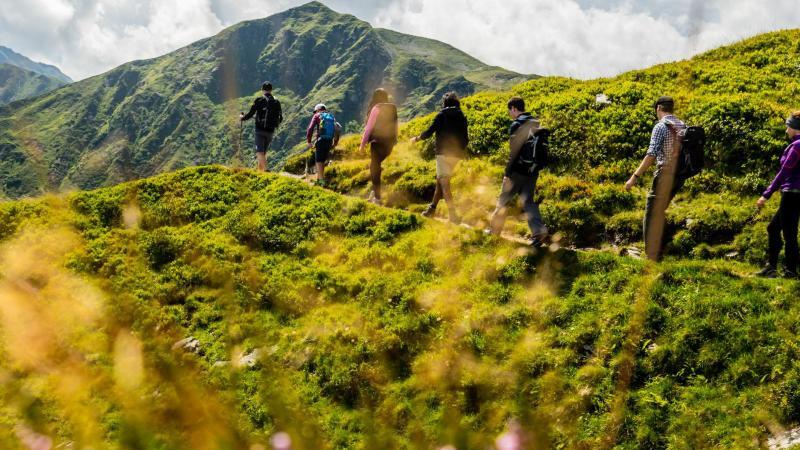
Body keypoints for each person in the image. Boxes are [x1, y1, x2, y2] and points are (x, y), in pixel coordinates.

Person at [624, 96, 686, 261]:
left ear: (659, 108)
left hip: (664, 173)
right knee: (660, 211)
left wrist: (634, 177)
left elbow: (651, 154)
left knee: (652, 213)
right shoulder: (682, 125)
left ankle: (652, 256)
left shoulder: (661, 127)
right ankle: (660, 252)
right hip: (679, 176)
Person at [487, 97, 549, 246]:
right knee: (528, 201)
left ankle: (494, 231)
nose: (509, 113)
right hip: (532, 170)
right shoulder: (536, 122)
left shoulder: (516, 125)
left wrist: (507, 174)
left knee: (503, 200)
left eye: (510, 110)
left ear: (514, 108)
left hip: (518, 170)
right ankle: (539, 232)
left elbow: (514, 152)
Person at [411, 92, 469, 223]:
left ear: (445, 103)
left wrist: (416, 138)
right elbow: (466, 139)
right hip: (456, 155)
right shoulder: (462, 116)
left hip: (443, 153)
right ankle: (431, 209)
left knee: (444, 183)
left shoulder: (442, 115)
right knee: (440, 181)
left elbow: (429, 132)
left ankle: (453, 215)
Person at [755, 111, 800, 278]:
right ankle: (773, 267)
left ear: (795, 128)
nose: (786, 130)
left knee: (789, 233)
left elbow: (784, 172)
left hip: (791, 193)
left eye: (788, 127)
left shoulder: (796, 146)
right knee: (773, 228)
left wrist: (766, 195)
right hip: (795, 194)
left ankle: (790, 271)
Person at [359, 88, 398, 205]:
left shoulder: (376, 108)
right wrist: (395, 139)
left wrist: (362, 145)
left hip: (377, 143)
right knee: (375, 168)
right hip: (389, 143)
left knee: (374, 169)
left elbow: (369, 128)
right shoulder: (393, 107)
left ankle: (377, 198)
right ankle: (374, 192)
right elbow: (396, 124)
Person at [240, 82, 282, 172]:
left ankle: (266, 170)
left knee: (260, 152)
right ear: (271, 90)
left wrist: (242, 118)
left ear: (262, 90)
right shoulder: (276, 102)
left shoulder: (259, 100)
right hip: (270, 131)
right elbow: (280, 118)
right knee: (263, 153)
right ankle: (260, 172)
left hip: (260, 130)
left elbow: (251, 113)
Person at [305, 104, 341, 185]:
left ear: (318, 110)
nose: (315, 113)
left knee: (318, 161)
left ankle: (321, 181)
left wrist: (309, 141)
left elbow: (310, 128)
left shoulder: (317, 116)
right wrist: (335, 143)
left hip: (321, 141)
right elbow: (337, 129)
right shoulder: (331, 117)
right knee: (323, 160)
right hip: (329, 141)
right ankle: (319, 178)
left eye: (315, 111)